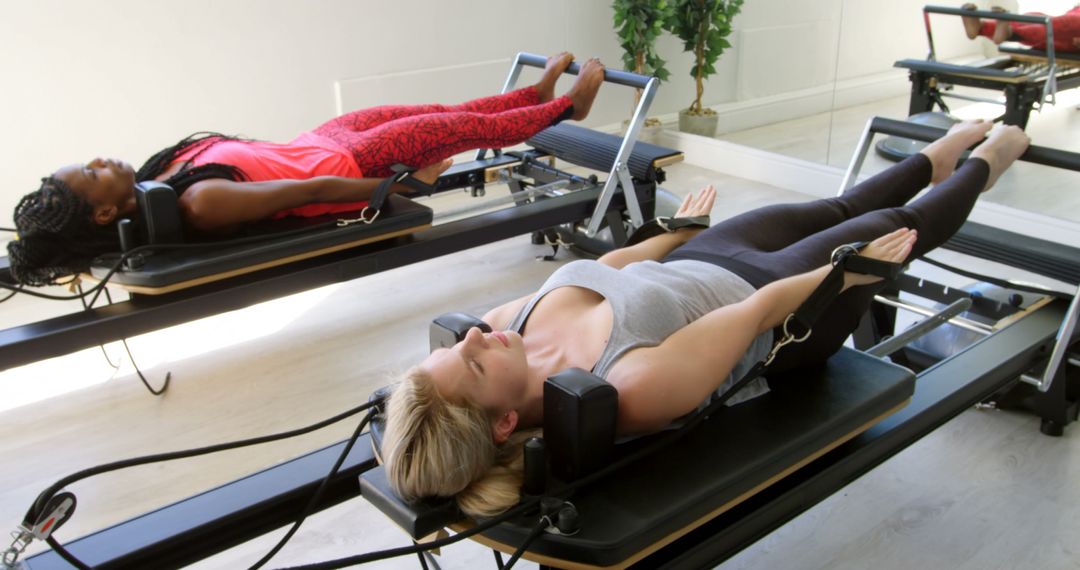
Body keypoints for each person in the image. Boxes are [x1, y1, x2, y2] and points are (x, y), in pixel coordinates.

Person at [381, 120, 1032, 517]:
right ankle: (991, 159)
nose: (472, 335)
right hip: (778, 297)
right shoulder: (625, 387)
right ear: (503, 423)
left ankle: (939, 158)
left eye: (456, 342)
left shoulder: (505, 325)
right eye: (471, 360)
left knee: (838, 205)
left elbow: (609, 267)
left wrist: (675, 232)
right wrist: (844, 273)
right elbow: (754, 314)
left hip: (707, 254)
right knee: (894, 227)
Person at [7, 54, 605, 287]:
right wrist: (401, 184)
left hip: (324, 138)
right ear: (105, 211)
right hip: (351, 162)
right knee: (457, 130)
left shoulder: (162, 174)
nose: (100, 160)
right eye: (91, 172)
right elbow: (312, 191)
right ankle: (564, 109)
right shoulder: (198, 203)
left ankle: (535, 95)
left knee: (442, 111)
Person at [961, 3, 1080, 52]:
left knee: (1051, 25)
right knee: (1035, 17)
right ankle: (981, 27)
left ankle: (1001, 29)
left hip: (1071, 31)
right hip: (1066, 31)